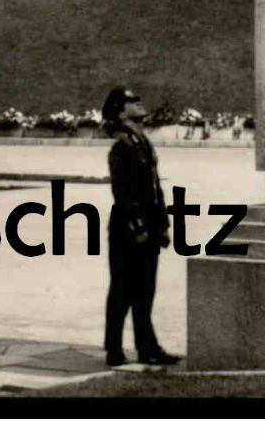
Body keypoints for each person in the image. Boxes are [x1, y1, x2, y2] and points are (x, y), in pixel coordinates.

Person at [101, 86, 178, 367]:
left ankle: (147, 348)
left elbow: (155, 188)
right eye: (133, 101)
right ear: (121, 111)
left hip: (149, 225)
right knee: (122, 289)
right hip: (128, 228)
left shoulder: (142, 141)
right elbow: (124, 193)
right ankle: (114, 349)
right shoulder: (123, 146)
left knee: (145, 290)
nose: (140, 102)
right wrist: (139, 228)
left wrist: (163, 225)